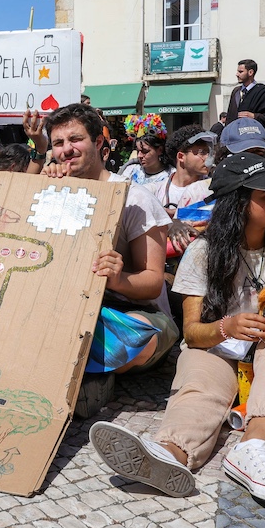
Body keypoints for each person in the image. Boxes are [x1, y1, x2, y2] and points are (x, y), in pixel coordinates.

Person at [90, 151, 265, 509]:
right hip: (220, 345)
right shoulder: (202, 252)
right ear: (238, 205)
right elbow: (193, 333)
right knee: (200, 383)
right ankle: (169, 455)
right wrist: (226, 327)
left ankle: (253, 450)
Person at [41, 103, 179, 418]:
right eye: (59, 143)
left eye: (75, 140)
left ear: (99, 143)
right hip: (72, 308)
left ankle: (90, 374)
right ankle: (86, 372)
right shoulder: (54, 191)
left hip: (131, 313)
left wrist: (117, 278)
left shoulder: (136, 199)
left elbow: (152, 282)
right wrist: (43, 183)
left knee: (138, 337)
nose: (66, 150)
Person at [147, 125, 215, 252]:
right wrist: (169, 223)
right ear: (181, 157)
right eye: (202, 152)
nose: (208, 158)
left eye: (209, 152)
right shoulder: (154, 190)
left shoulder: (212, 190)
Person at [225, 59, 265, 133]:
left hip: (256, 136)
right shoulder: (236, 92)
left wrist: (255, 116)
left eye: (240, 72)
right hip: (235, 135)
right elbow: (230, 116)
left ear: (250, 72)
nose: (237, 74)